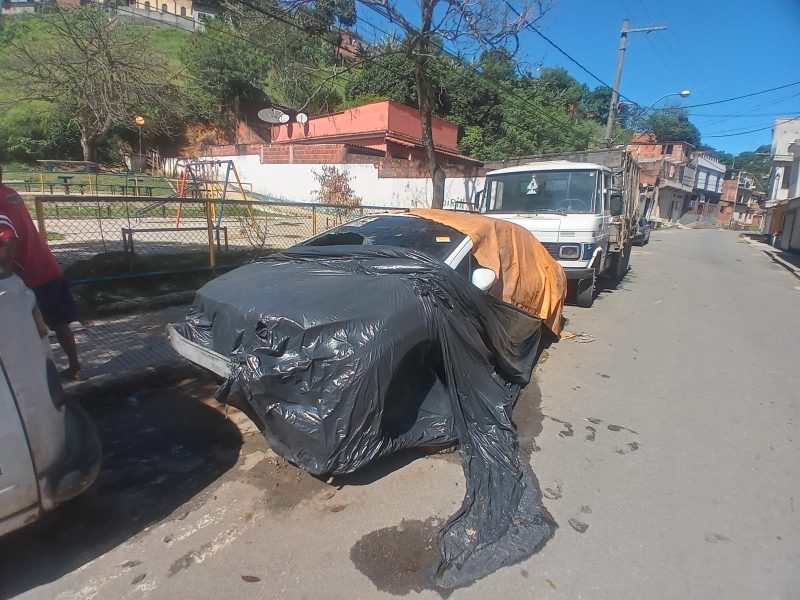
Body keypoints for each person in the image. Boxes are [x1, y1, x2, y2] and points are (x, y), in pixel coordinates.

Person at [0, 165, 83, 380]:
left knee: (29, 324)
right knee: (57, 321)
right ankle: (75, 367)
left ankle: (39, 375)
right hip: (44, 264)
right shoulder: (11, 194)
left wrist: (4, 273)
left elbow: (8, 237)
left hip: (28, 273)